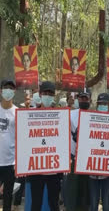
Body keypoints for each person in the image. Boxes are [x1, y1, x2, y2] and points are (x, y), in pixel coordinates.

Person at [27, 81, 62, 211]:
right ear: (40, 94)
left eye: (50, 93)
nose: (48, 95)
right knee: (36, 203)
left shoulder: (60, 116)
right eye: (45, 93)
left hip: (54, 169)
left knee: (54, 203)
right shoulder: (30, 115)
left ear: (54, 96)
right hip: (36, 169)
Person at [64, 90, 91, 211]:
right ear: (77, 99)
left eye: (86, 98)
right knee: (72, 187)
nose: (83, 100)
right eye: (81, 98)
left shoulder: (94, 115)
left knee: (85, 187)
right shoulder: (70, 114)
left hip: (87, 158)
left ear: (90, 100)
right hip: (73, 156)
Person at [88, 93, 109, 211]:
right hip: (92, 171)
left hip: (108, 172)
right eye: (100, 104)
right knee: (93, 203)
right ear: (97, 105)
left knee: (106, 203)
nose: (103, 106)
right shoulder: (89, 119)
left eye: (105, 104)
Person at [0, 80, 17, 211]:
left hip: (10, 163)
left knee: (7, 198)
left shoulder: (18, 112)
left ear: (14, 92)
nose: (8, 90)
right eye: (6, 87)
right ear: (1, 90)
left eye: (11, 88)